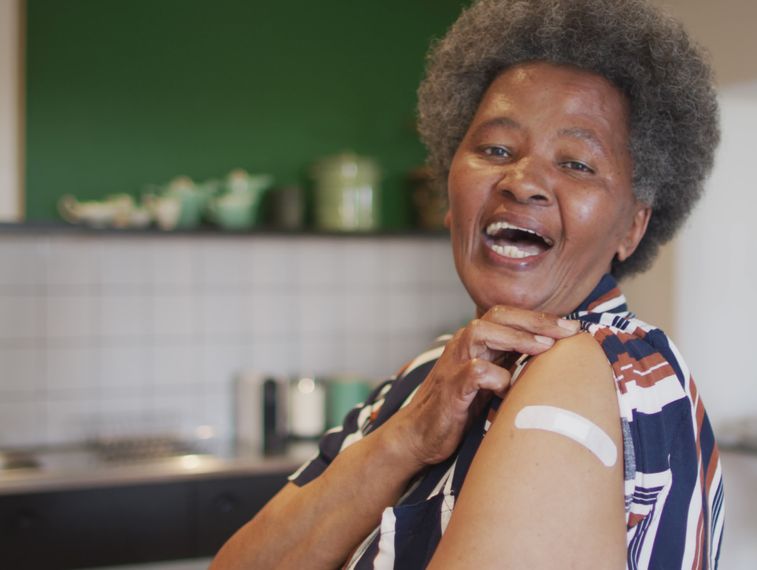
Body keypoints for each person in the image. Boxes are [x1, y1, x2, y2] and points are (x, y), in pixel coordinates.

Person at [212, 0, 722, 567]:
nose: (523, 181)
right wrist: (405, 440)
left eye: (576, 163)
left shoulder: (587, 367)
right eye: (496, 149)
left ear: (633, 225)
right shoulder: (428, 376)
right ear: (447, 193)